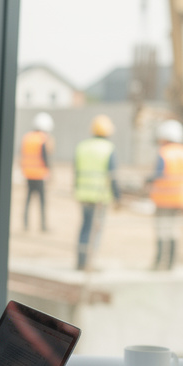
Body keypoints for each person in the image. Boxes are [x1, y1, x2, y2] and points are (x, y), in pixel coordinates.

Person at [73, 115, 118, 270]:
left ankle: (80, 260)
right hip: (100, 196)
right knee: (95, 230)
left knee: (85, 227)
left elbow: (76, 171)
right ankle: (89, 263)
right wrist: (117, 197)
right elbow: (112, 176)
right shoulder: (108, 148)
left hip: (83, 194)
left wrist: (76, 189)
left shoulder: (82, 146)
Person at [148, 119, 183, 270]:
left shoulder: (164, 152)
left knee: (162, 230)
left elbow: (158, 173)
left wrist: (147, 180)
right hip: (181, 198)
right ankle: (171, 263)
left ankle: (160, 262)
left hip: (164, 199)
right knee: (174, 230)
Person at [19, 112, 54, 231]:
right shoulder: (42, 139)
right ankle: (43, 225)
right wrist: (50, 172)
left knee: (28, 200)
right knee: (42, 201)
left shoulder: (27, 137)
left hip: (28, 173)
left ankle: (25, 223)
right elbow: (45, 157)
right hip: (39, 174)